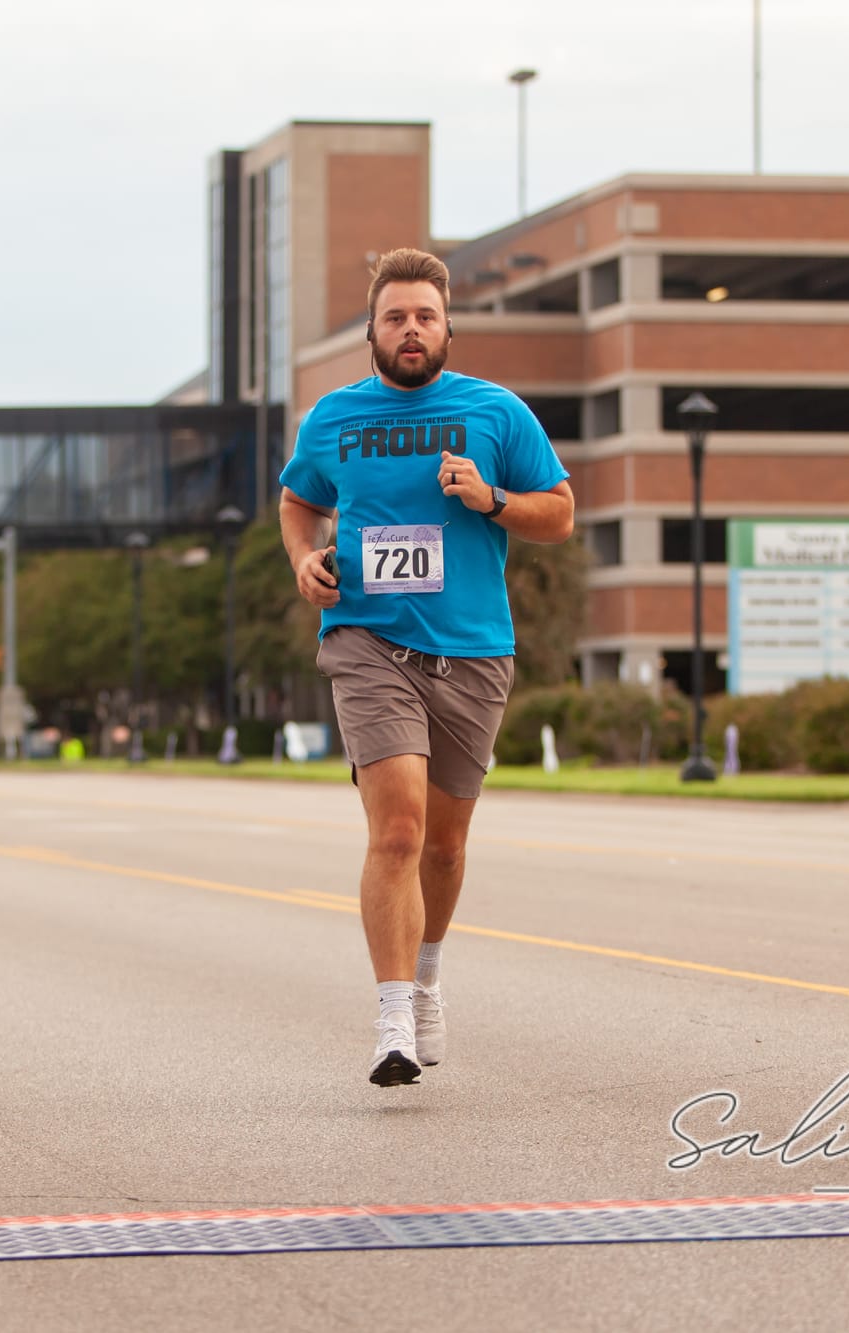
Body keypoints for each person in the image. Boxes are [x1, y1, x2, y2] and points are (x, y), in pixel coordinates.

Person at [280, 247, 575, 1087]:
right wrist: (304, 559)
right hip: (367, 639)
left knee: (443, 847)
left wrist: (492, 499)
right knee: (400, 829)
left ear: (447, 327)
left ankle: (428, 974)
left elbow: (560, 513)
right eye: (395, 318)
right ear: (372, 332)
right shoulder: (334, 417)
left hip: (472, 650)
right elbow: (299, 499)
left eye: (425, 317)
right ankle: (392, 1021)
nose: (411, 330)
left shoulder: (496, 412)